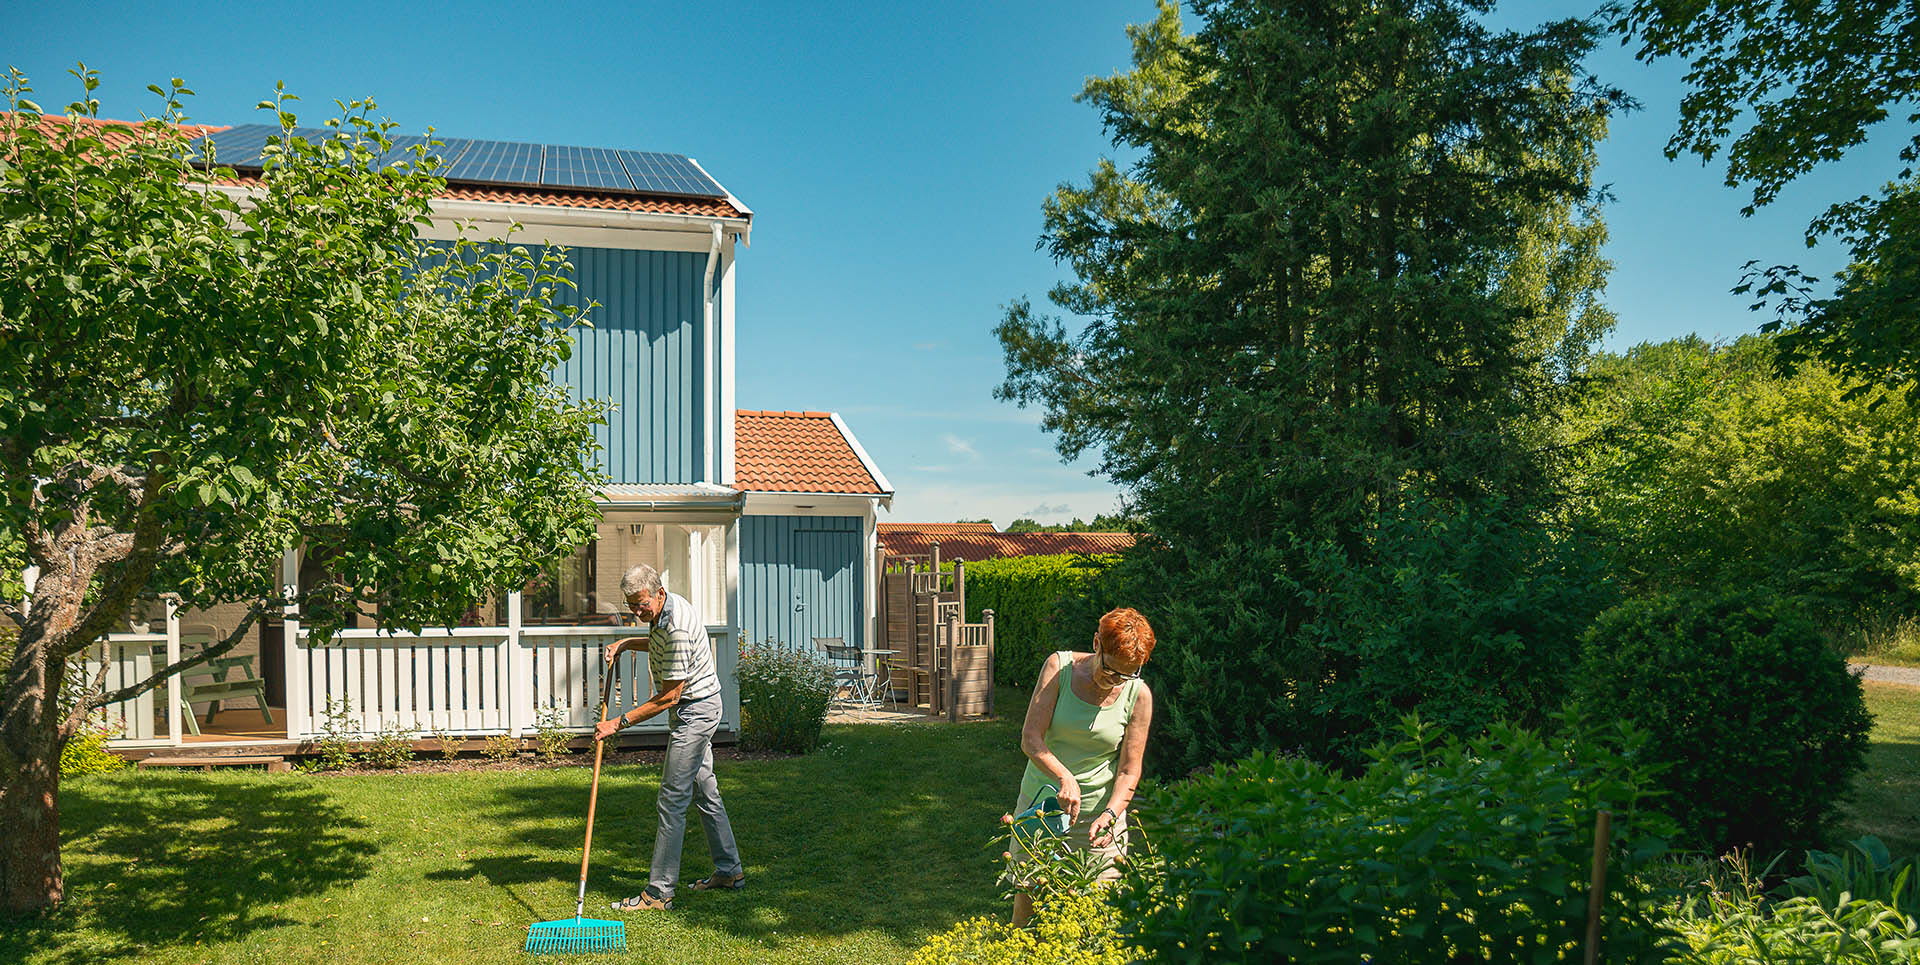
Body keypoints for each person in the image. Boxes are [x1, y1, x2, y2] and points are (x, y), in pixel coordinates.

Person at [593, 563, 744, 912]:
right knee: (706, 792)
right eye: (631, 605)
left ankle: (659, 893)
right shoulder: (666, 611)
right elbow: (656, 642)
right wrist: (627, 643)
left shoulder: (674, 625)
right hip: (700, 706)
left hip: (694, 712)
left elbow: (668, 697)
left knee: (672, 799)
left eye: (641, 603)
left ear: (658, 593)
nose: (636, 611)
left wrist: (617, 724)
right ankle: (729, 870)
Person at [1010, 607, 1156, 926]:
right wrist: (1065, 777)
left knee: (1095, 921)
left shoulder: (1137, 694)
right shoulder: (1059, 667)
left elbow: (1130, 770)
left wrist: (1111, 814)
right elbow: (1031, 738)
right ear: (1096, 644)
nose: (1115, 681)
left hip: (1099, 824)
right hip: (1042, 810)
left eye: (1127, 674)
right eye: (1110, 670)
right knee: (1029, 909)